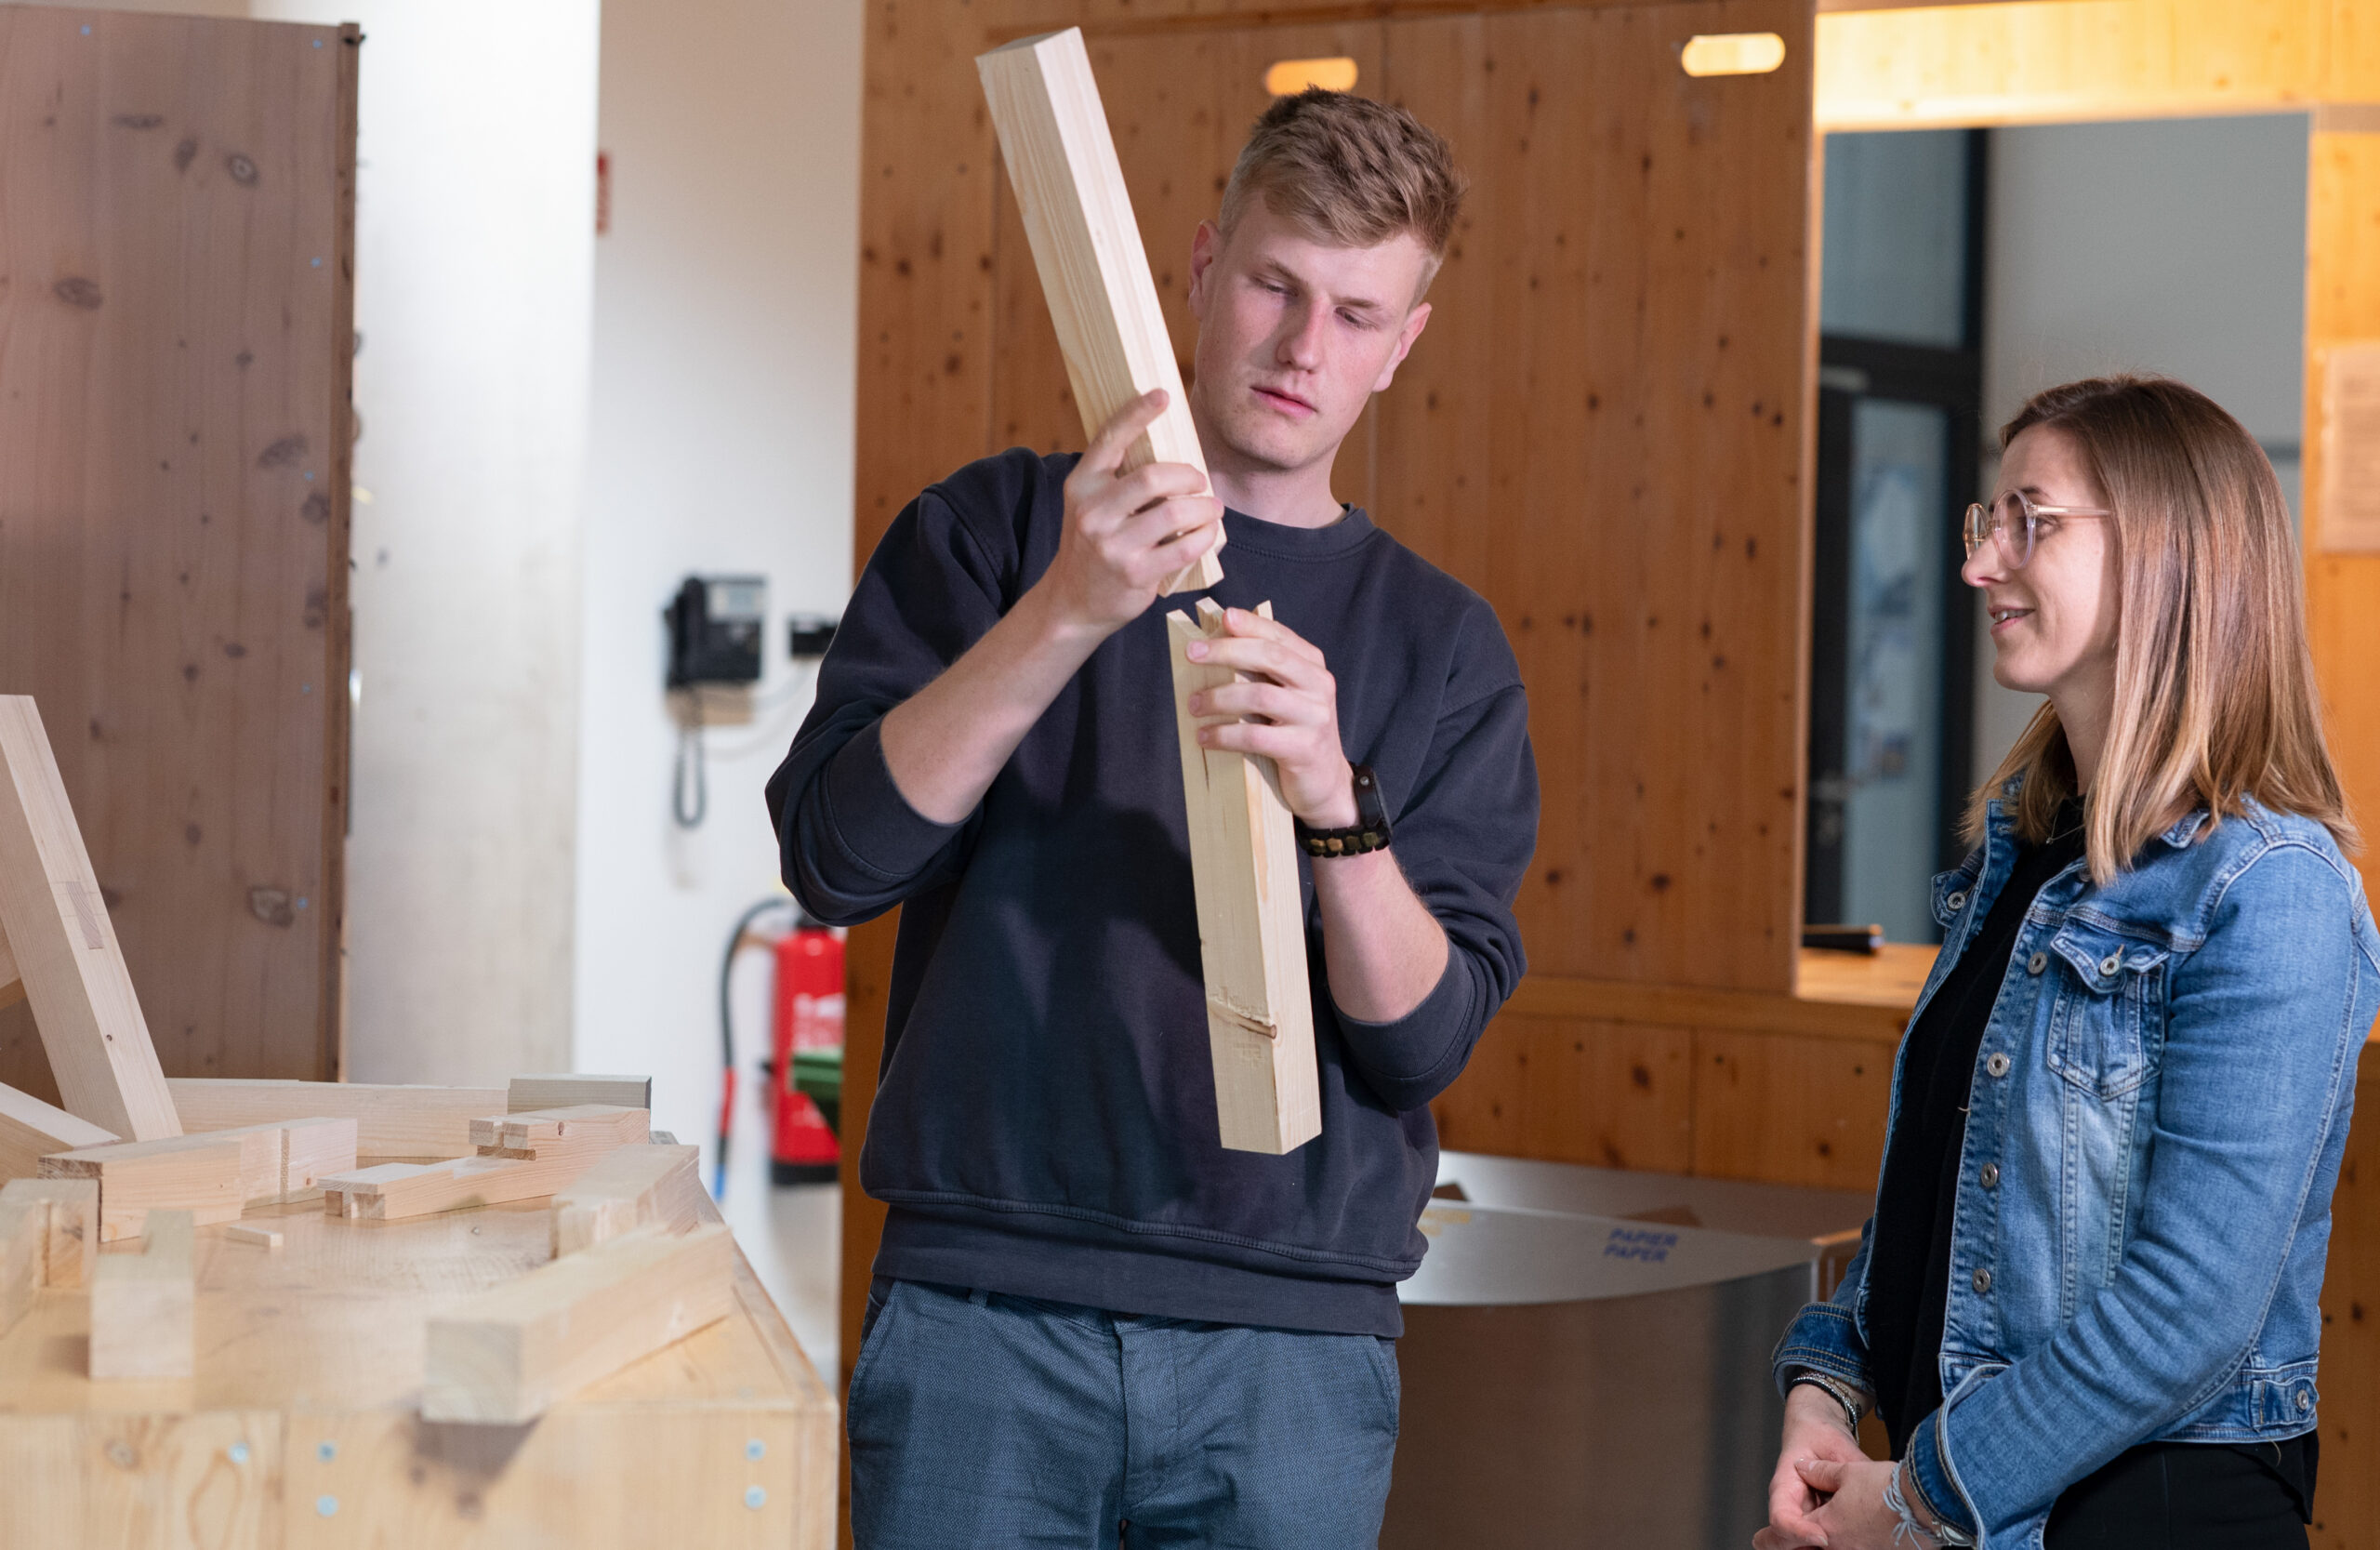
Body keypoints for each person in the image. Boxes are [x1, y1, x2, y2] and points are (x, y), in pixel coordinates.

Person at [767, 89, 1537, 1548]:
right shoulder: (993, 532)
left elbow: (1422, 1041)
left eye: (1359, 314)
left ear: (1406, 341)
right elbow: (834, 857)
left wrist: (1334, 803)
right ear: (1199, 267)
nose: (1308, 347)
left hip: (1290, 1348)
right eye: (1275, 285)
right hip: (984, 1313)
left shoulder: (1442, 644)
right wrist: (1066, 610)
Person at [1761, 375, 2380, 1550]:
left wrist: (1917, 1494)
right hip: (1961, 1502)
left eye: (2028, 521)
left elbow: (2189, 1312)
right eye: (1984, 522)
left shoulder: (2274, 888)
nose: (1981, 564)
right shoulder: (2023, 857)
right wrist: (1823, 1391)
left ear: (2165, 552)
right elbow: (1937, 1203)